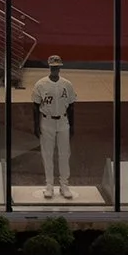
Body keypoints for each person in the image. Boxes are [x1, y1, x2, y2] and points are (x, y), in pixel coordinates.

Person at [31, 54, 77, 200]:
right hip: (47, 121)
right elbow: (35, 106)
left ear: (60, 67)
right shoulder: (41, 84)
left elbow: (71, 106)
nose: (55, 69)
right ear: (49, 67)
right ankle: (49, 185)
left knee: (64, 154)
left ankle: (64, 185)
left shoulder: (67, 84)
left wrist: (72, 125)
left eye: (57, 67)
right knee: (47, 154)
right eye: (53, 67)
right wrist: (36, 125)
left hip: (63, 121)